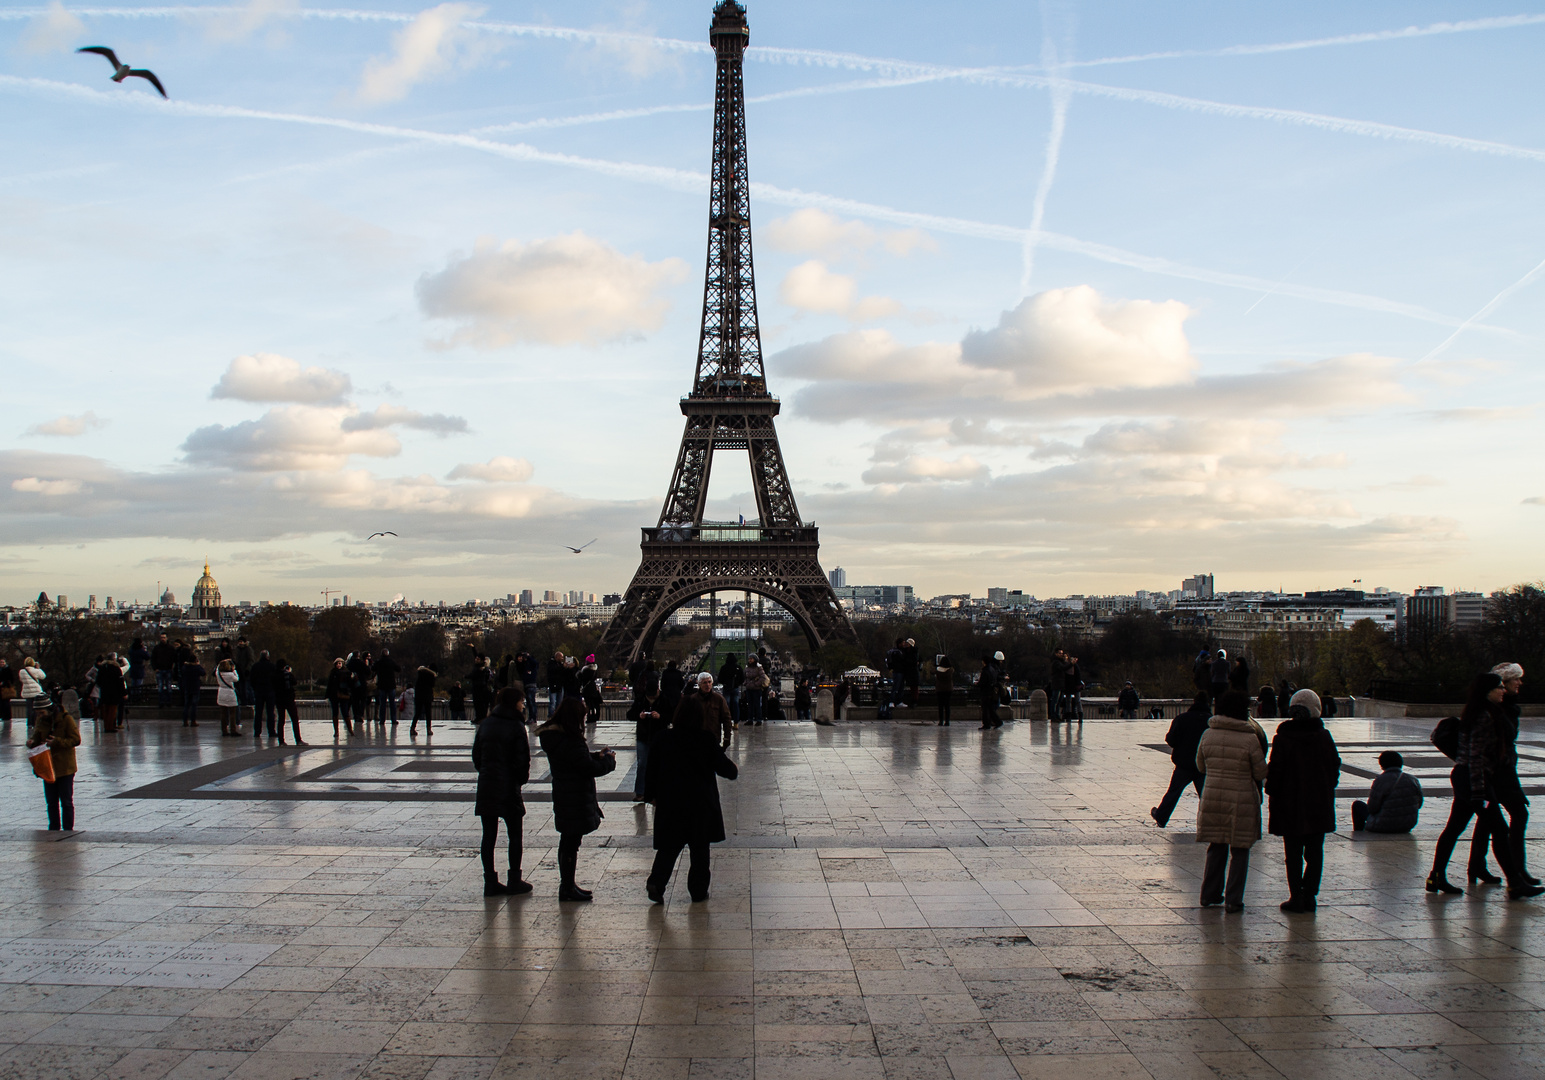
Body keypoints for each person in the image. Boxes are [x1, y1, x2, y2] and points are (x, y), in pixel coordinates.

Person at [1428, 672, 1543, 899]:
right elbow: (1476, 756)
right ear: (1487, 691)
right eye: (1499, 687)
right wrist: (1480, 792)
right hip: (1474, 780)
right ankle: (1515, 883)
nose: (1503, 690)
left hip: (1466, 777)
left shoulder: (1481, 712)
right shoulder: (1484, 716)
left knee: (1455, 828)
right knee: (1499, 829)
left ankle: (1436, 876)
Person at [645, 695, 740, 903]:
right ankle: (698, 891)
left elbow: (650, 771)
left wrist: (651, 796)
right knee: (700, 852)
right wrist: (733, 769)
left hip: (671, 803)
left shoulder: (663, 738)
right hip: (700, 804)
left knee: (668, 849)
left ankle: (656, 882)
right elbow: (727, 770)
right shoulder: (705, 739)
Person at [1265, 689, 1341, 913]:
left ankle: (1295, 895)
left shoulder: (1283, 738)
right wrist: (1326, 787)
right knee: (1315, 852)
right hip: (1318, 803)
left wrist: (1273, 792)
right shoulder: (1323, 737)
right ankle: (1310, 894)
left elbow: (1275, 772)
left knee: (1293, 854)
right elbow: (1334, 767)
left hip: (1289, 805)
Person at [1195, 690, 1268, 912]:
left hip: (1213, 797)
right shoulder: (1249, 738)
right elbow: (1260, 772)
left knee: (1216, 846)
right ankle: (1233, 899)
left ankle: (1209, 894)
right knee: (1240, 849)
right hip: (1241, 800)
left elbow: (1200, 766)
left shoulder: (1208, 734)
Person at [537, 697, 616, 901]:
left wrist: (595, 755)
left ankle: (568, 884)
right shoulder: (571, 740)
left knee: (568, 841)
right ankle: (567, 887)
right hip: (575, 795)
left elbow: (577, 758)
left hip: (564, 793)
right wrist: (608, 761)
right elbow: (586, 767)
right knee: (571, 842)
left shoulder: (556, 737)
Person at [473, 687, 533, 896]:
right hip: (508, 786)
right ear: (514, 702)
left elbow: (477, 756)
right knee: (515, 834)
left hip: (487, 784)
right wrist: (519, 780)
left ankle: (490, 881)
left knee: (488, 836)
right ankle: (514, 879)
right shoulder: (516, 726)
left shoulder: (486, 723)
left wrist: (487, 772)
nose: (523, 704)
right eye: (521, 701)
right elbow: (522, 759)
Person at [1489, 662, 1537, 887]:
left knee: (1488, 822)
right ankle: (1517, 872)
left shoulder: (1505, 706)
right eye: (1516, 679)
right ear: (1504, 683)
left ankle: (1478, 867)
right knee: (1518, 815)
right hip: (1501, 772)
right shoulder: (1500, 708)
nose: (1520, 683)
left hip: (1501, 770)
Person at [1151, 694, 1210, 828]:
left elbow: (1170, 739)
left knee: (1174, 792)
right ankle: (1211, 822)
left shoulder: (1182, 719)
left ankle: (1161, 816)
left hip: (1184, 763)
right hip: (1203, 765)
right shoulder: (1210, 721)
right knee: (1206, 796)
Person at [27, 698, 80, 831]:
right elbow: (37, 738)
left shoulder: (66, 719)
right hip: (48, 765)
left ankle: (68, 829)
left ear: (50, 710)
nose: (40, 716)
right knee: (51, 802)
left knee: (66, 801)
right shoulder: (41, 721)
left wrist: (57, 742)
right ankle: (54, 828)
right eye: (38, 713)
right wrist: (32, 742)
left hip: (65, 766)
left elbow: (76, 739)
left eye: (42, 713)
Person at [629, 673, 675, 802]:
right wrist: (640, 715)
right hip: (644, 736)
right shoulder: (640, 700)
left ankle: (656, 791)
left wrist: (660, 717)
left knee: (658, 765)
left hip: (659, 737)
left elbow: (671, 716)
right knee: (642, 764)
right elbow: (630, 714)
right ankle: (641, 792)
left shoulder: (664, 700)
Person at [1352, 751, 1422, 833]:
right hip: (1407, 825)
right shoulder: (1413, 779)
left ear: (1382, 765)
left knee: (1357, 805)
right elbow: (1419, 804)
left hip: (1383, 825)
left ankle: (1359, 833)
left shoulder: (1381, 780)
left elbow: (1372, 808)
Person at [274, 659, 306, 745]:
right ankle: (298, 740)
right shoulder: (287, 674)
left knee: (281, 720)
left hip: (279, 699)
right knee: (294, 719)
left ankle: (281, 741)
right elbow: (294, 682)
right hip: (288, 699)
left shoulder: (274, 675)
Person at [96, 652, 127, 732]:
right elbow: (120, 681)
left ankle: (107, 726)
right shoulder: (116, 668)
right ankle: (110, 727)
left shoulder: (102, 668)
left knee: (106, 710)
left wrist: (103, 686)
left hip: (104, 691)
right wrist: (124, 693)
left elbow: (98, 680)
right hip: (114, 692)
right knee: (112, 710)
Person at [249, 651, 277, 739]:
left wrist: (255, 688)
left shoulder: (255, 666)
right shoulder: (272, 666)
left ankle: (257, 731)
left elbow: (251, 679)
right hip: (269, 691)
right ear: (268, 657)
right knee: (270, 713)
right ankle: (271, 731)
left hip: (259, 691)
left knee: (258, 713)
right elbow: (275, 679)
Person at [214, 659, 241, 736]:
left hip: (221, 692)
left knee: (223, 713)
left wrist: (220, 664)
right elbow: (236, 679)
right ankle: (233, 730)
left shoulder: (218, 674)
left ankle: (224, 730)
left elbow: (217, 669)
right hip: (230, 693)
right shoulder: (230, 675)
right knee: (232, 713)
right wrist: (234, 670)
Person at [18, 657, 48, 724]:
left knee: (29, 708)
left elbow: (21, 680)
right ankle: (34, 722)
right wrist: (38, 668)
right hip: (36, 692)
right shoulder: (35, 671)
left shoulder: (21, 671)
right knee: (36, 708)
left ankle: (29, 722)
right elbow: (43, 676)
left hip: (27, 692)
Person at [978, 652, 1004, 729]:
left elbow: (983, 682)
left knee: (986, 709)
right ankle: (996, 722)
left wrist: (978, 684)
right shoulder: (992, 670)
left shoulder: (985, 671)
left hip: (986, 692)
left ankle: (988, 723)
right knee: (990, 709)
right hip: (991, 691)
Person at [180, 651, 205, 727]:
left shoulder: (184, 667)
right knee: (194, 704)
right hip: (195, 687)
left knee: (186, 704)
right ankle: (193, 720)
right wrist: (198, 665)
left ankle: (185, 721)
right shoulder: (196, 667)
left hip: (187, 686)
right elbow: (203, 673)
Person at [374, 648, 399, 725]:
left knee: (382, 703)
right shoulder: (391, 662)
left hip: (382, 685)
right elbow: (398, 669)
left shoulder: (379, 662)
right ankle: (393, 719)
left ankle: (382, 720)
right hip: (391, 685)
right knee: (392, 703)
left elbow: (373, 668)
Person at [151, 632, 176, 708]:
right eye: (162, 637)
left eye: (164, 637)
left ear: (166, 638)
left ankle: (167, 702)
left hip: (167, 669)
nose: (163, 639)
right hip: (161, 669)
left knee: (168, 687)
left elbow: (174, 658)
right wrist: (155, 668)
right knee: (161, 687)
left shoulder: (170, 648)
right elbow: (153, 659)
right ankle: (163, 702)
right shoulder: (157, 648)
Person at [717, 654, 743, 728]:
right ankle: (736, 723)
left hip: (726, 688)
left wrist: (725, 683)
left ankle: (727, 722)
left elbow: (719, 679)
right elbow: (742, 678)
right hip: (735, 688)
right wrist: (737, 684)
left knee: (726, 706)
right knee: (736, 705)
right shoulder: (738, 667)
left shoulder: (724, 667)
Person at [742, 659, 769, 726]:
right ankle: (750, 719)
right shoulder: (747, 667)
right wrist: (746, 683)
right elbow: (744, 676)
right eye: (749, 659)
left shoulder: (759, 667)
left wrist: (756, 684)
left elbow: (763, 677)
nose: (750, 660)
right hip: (749, 688)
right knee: (750, 705)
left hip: (756, 689)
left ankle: (758, 719)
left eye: (751, 659)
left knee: (757, 704)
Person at [412, 664, 438, 736]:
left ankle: (412, 728)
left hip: (418, 696)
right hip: (427, 695)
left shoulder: (420, 674)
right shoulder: (431, 676)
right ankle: (428, 729)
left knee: (417, 713)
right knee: (428, 713)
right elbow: (432, 685)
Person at [233, 635, 255, 719]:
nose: (240, 643)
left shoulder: (247, 649)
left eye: (241, 641)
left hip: (245, 672)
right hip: (240, 672)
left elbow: (251, 660)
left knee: (247, 688)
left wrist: (247, 669)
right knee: (243, 688)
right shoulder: (239, 650)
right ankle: (245, 702)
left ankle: (249, 702)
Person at [325, 658, 348, 732]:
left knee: (345, 712)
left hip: (343, 695)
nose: (339, 665)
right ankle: (336, 731)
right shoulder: (333, 673)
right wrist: (327, 695)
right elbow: (329, 684)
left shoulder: (346, 672)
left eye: (340, 663)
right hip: (334, 695)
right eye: (337, 663)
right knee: (335, 712)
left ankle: (350, 729)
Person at [580, 655, 603, 725]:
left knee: (589, 704)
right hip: (593, 688)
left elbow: (581, 678)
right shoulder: (594, 670)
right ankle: (594, 717)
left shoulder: (585, 670)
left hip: (587, 689)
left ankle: (590, 717)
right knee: (593, 704)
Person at [933, 656, 954, 726]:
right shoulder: (950, 670)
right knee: (947, 705)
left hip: (940, 689)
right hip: (948, 689)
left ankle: (941, 721)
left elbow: (932, 672)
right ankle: (947, 721)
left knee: (940, 706)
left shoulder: (938, 670)